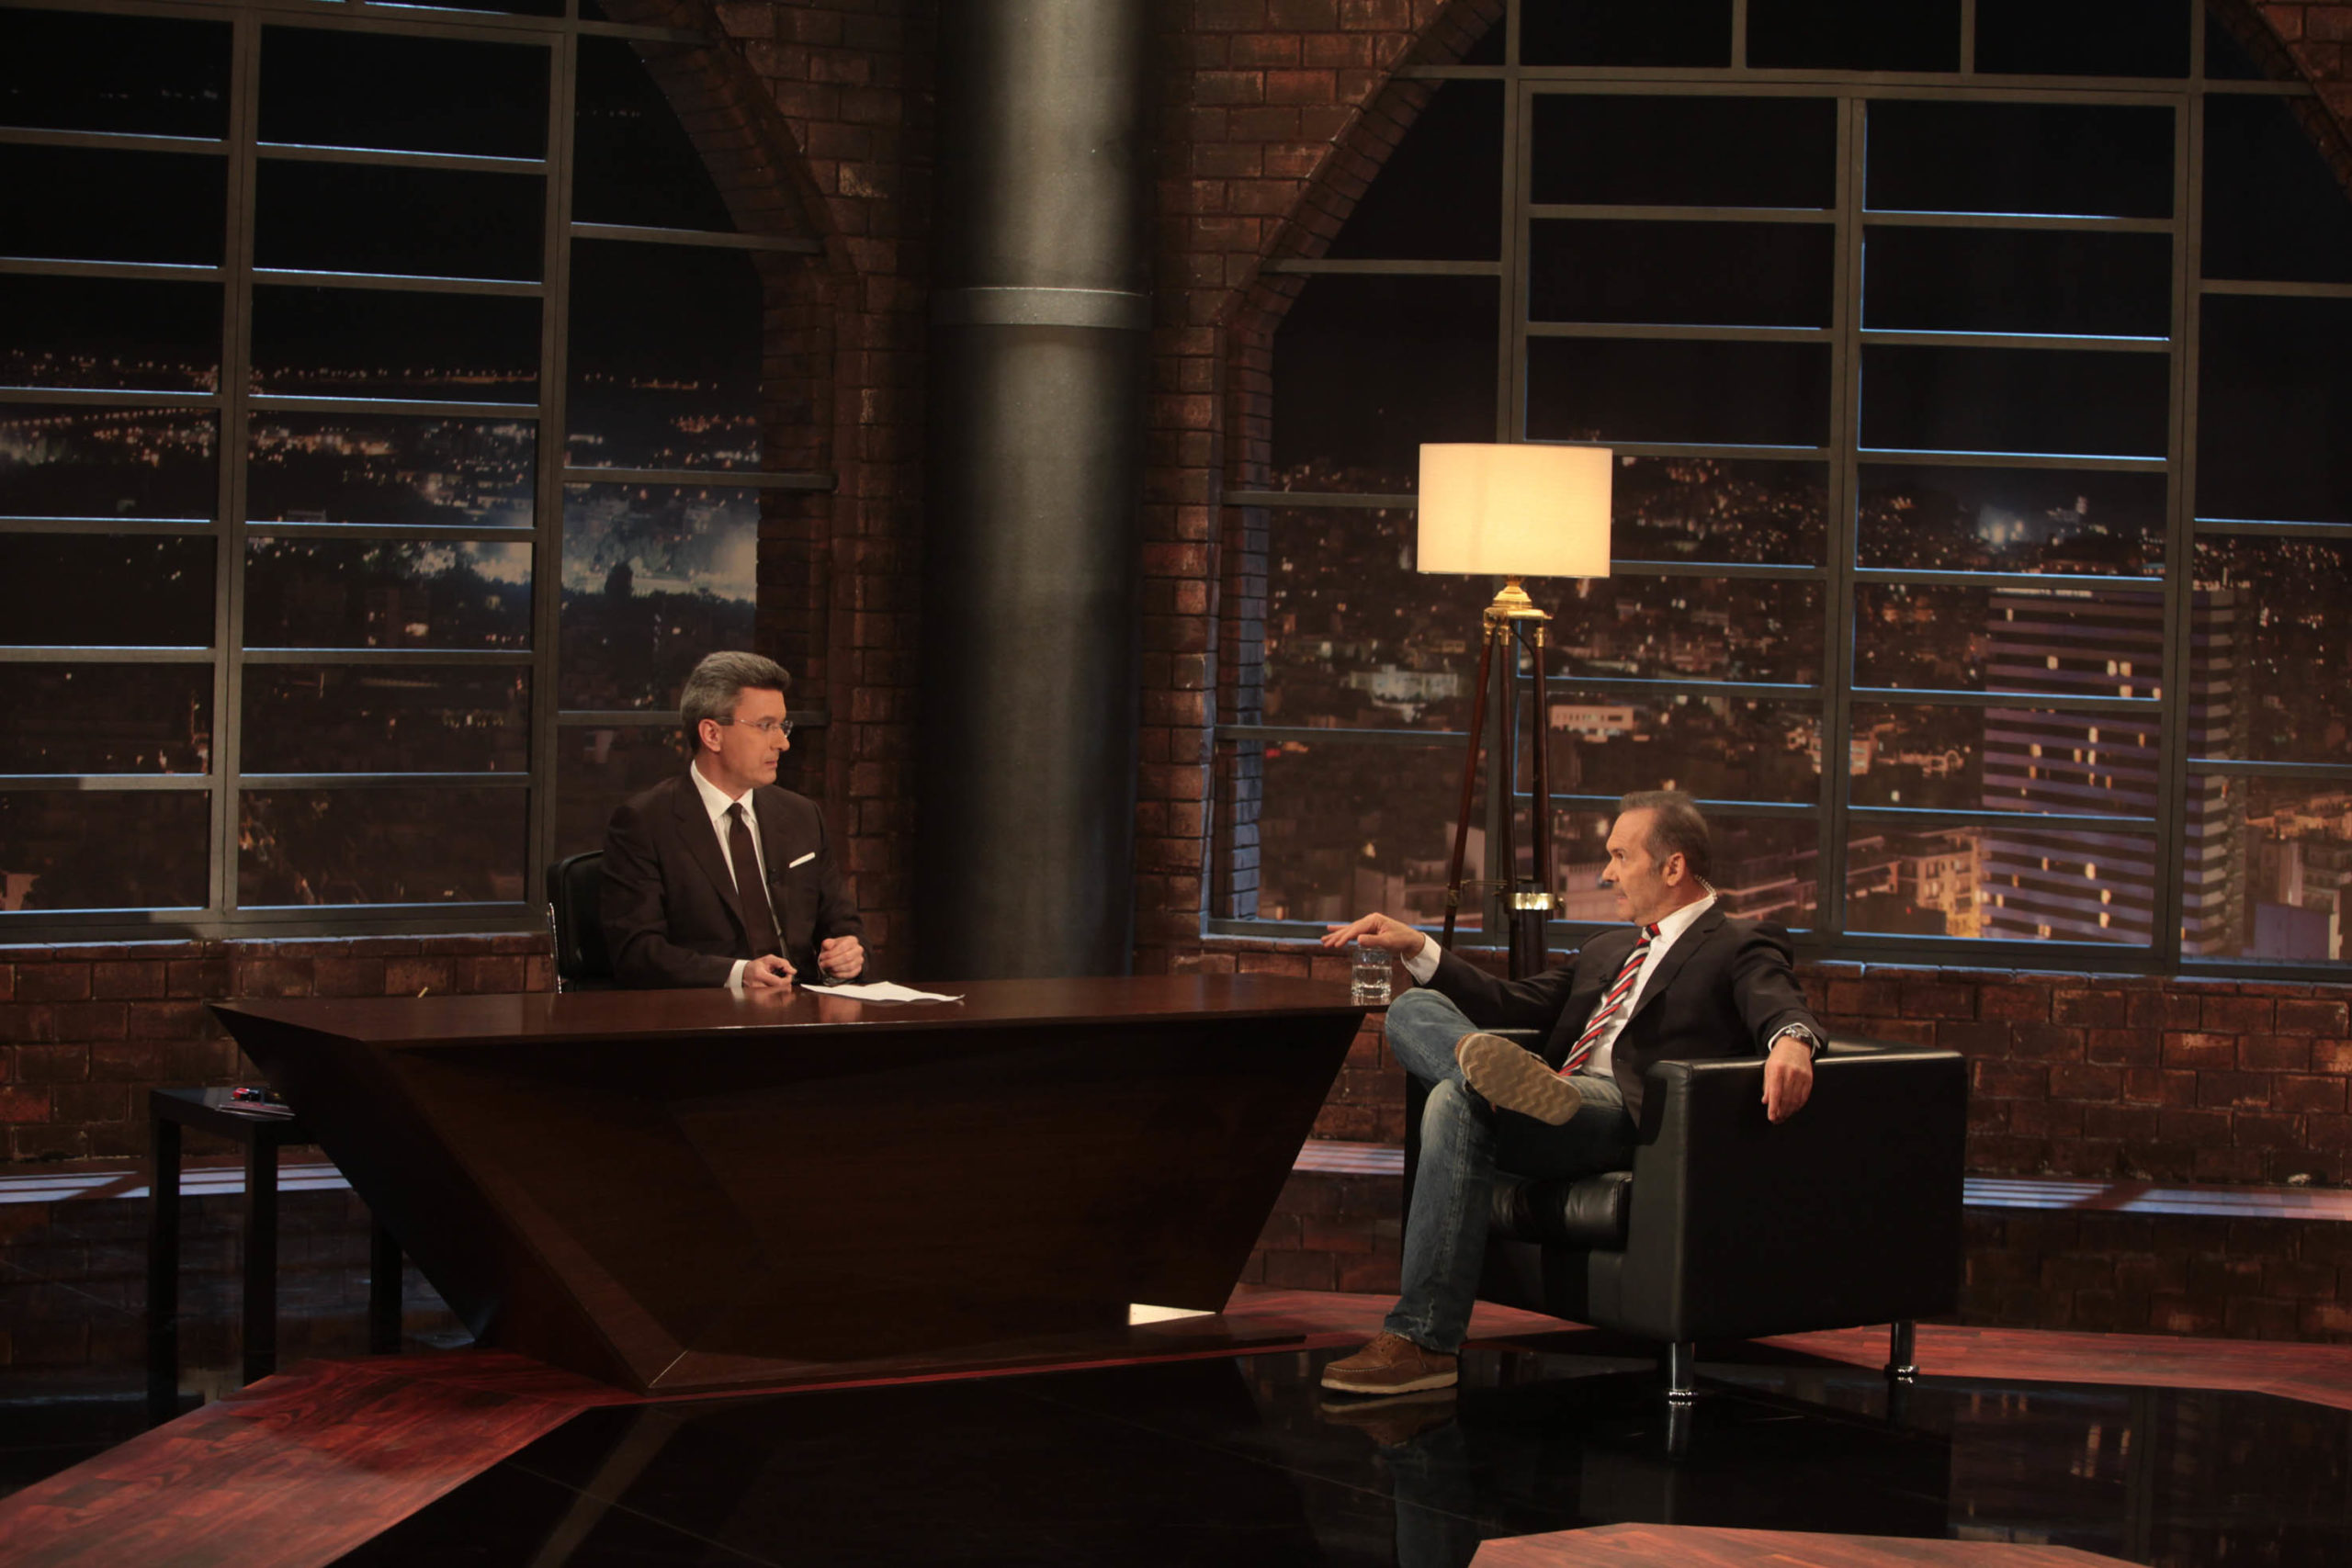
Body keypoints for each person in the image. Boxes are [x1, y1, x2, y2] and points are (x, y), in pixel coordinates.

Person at [1313, 790, 1824, 1397]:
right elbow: (1510, 1003)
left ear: (1674, 867)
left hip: (1621, 1115)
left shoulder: (1741, 941)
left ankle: (1423, 1341)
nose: (1607, 872)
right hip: (1553, 1096)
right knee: (1414, 1012)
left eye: (1619, 856)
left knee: (1455, 1098)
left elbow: (1779, 1002)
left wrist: (1792, 1041)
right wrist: (1417, 947)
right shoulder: (1608, 948)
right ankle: (1504, 1080)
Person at [600, 651, 865, 990]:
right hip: (708, 1011)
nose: (783, 743)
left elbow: (844, 926)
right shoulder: (645, 823)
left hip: (804, 1005)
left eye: (782, 726)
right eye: (765, 726)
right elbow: (636, 953)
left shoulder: (802, 815)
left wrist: (848, 955)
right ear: (712, 734)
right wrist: (739, 974)